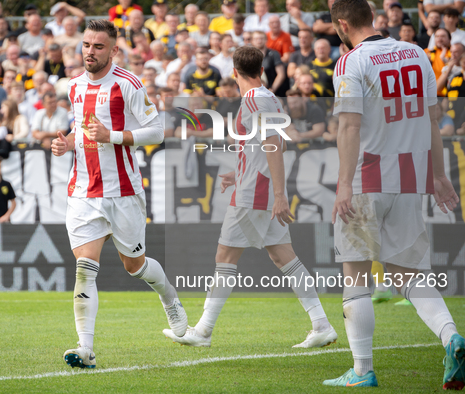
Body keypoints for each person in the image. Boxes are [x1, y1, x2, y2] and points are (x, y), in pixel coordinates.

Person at [324, 0, 464, 388]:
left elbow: (350, 126)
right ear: (373, 18)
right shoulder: (417, 53)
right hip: (408, 180)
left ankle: (363, 370)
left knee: (355, 275)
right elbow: (432, 120)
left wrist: (344, 184)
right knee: (409, 275)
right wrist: (438, 174)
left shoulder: (351, 61)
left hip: (369, 177)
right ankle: (451, 336)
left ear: (341, 24)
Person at [163, 45, 337, 349]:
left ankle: (203, 331)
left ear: (234, 72)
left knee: (225, 257)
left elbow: (272, 142)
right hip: (258, 185)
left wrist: (279, 193)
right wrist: (240, 173)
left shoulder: (254, 99)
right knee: (283, 256)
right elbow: (275, 145)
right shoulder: (269, 97)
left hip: (256, 191)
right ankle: (321, 324)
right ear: (262, 70)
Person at [51, 19, 187, 369]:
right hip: (83, 191)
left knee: (135, 266)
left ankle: (170, 299)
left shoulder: (128, 84)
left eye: (98, 46)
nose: (90, 52)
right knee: (85, 269)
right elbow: (81, 126)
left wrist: (111, 136)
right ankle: (85, 349)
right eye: (86, 45)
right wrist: (65, 142)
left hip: (124, 191)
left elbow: (156, 131)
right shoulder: (74, 86)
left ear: (113, 50)